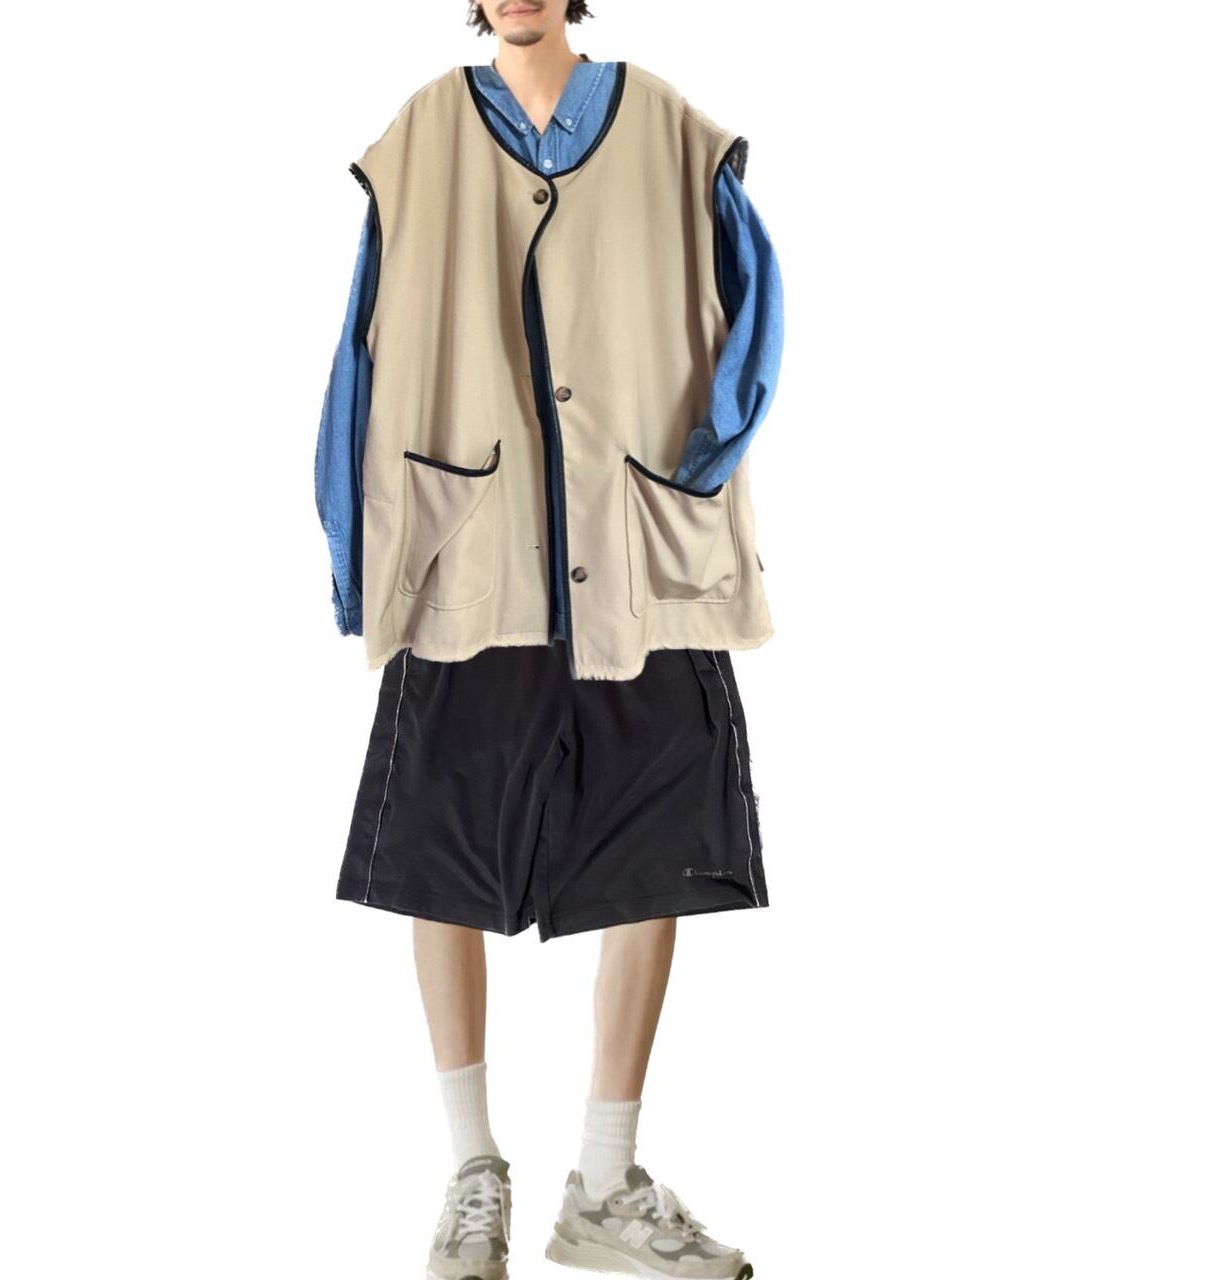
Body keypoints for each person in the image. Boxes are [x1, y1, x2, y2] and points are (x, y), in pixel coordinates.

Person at [314, 3, 783, 1277]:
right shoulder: (418, 136)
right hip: (469, 541)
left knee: (656, 849)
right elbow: (359, 348)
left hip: (634, 543)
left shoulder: (672, 129)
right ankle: (471, 1170)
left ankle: (604, 1179)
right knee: (437, 849)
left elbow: (755, 310)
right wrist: (356, 554)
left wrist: (699, 465)